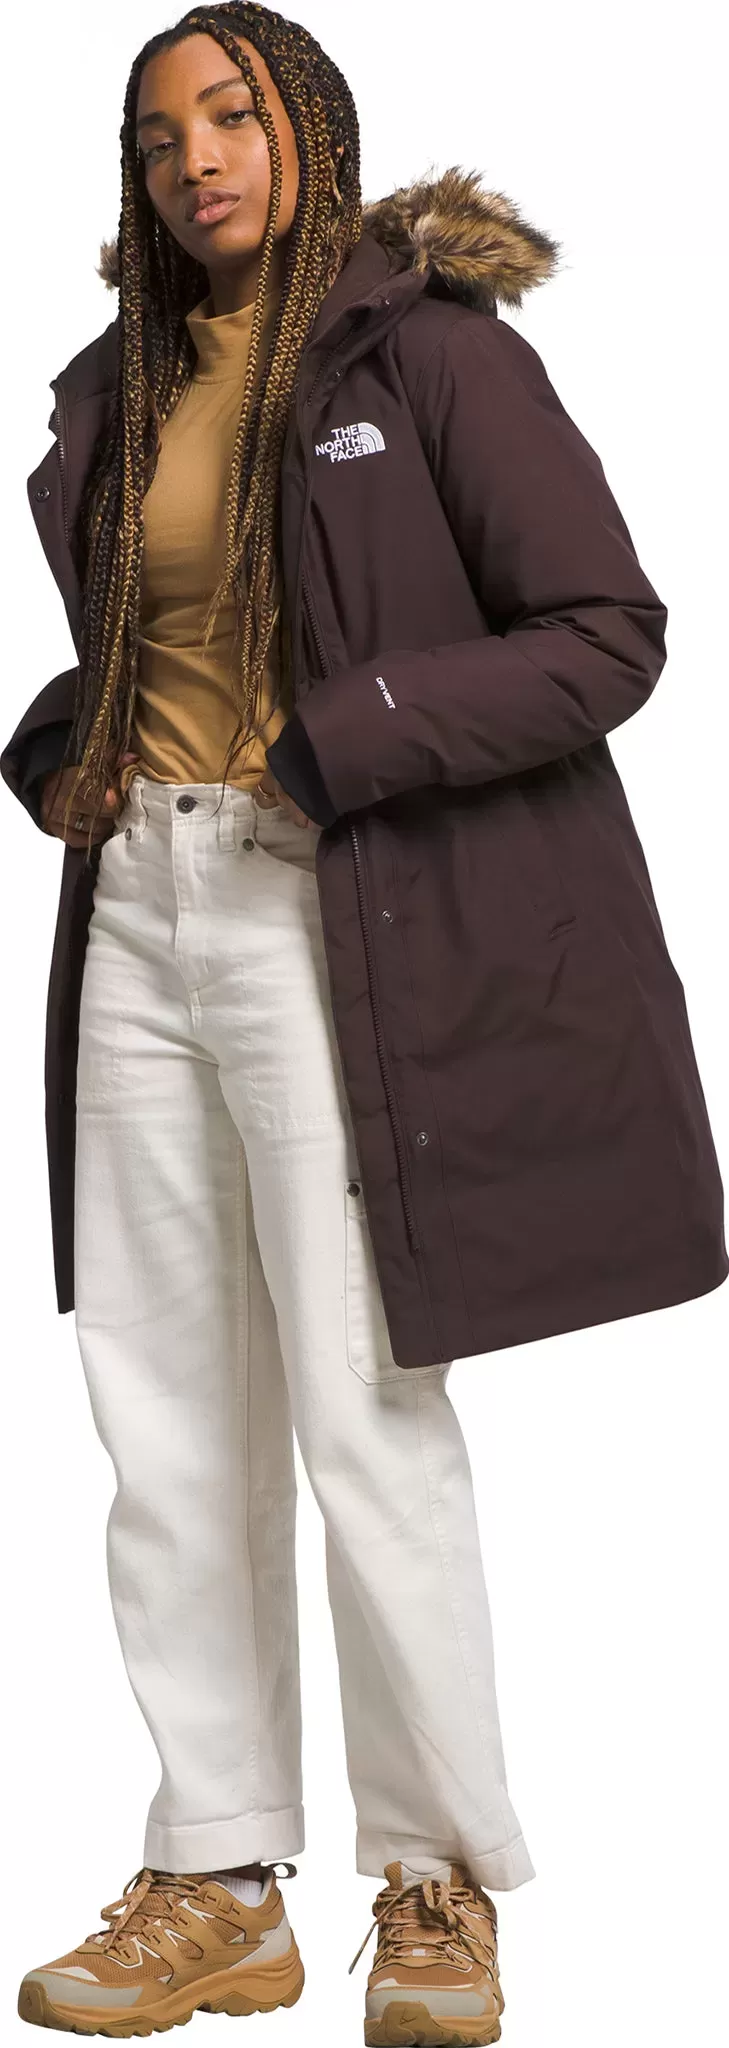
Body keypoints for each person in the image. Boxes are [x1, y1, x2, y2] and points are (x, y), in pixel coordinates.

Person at [2, 3, 727, 2040]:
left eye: (232, 115)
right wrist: (63, 745)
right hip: (139, 913)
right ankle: (216, 1867)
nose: (196, 160)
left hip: (332, 913)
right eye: (159, 137)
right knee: (162, 1420)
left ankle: (431, 1877)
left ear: (309, 126)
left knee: (363, 1408)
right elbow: (154, 651)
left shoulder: (430, 356)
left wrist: (342, 742)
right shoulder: (121, 385)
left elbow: (605, 634)